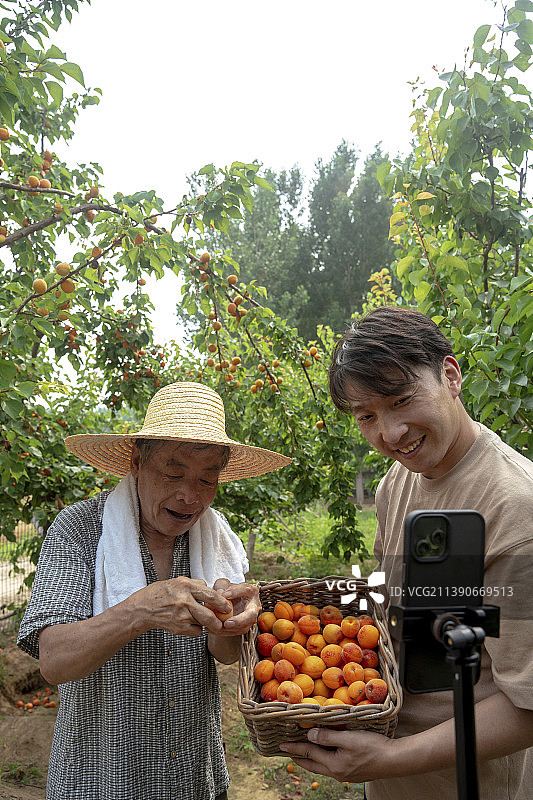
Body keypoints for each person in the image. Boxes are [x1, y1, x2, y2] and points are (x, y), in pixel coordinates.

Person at [280, 306, 533, 799]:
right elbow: (393, 602)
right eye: (367, 416)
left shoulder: (515, 509)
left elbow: (527, 707)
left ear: (450, 376)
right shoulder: (397, 482)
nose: (390, 433)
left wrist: (390, 757)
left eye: (401, 399)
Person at [18, 381, 291, 800]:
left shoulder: (214, 536)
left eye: (207, 479)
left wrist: (231, 621)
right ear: (137, 462)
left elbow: (224, 655)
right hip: (101, 778)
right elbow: (53, 660)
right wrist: (140, 611)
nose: (189, 496)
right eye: (174, 473)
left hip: (193, 776)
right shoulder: (80, 529)